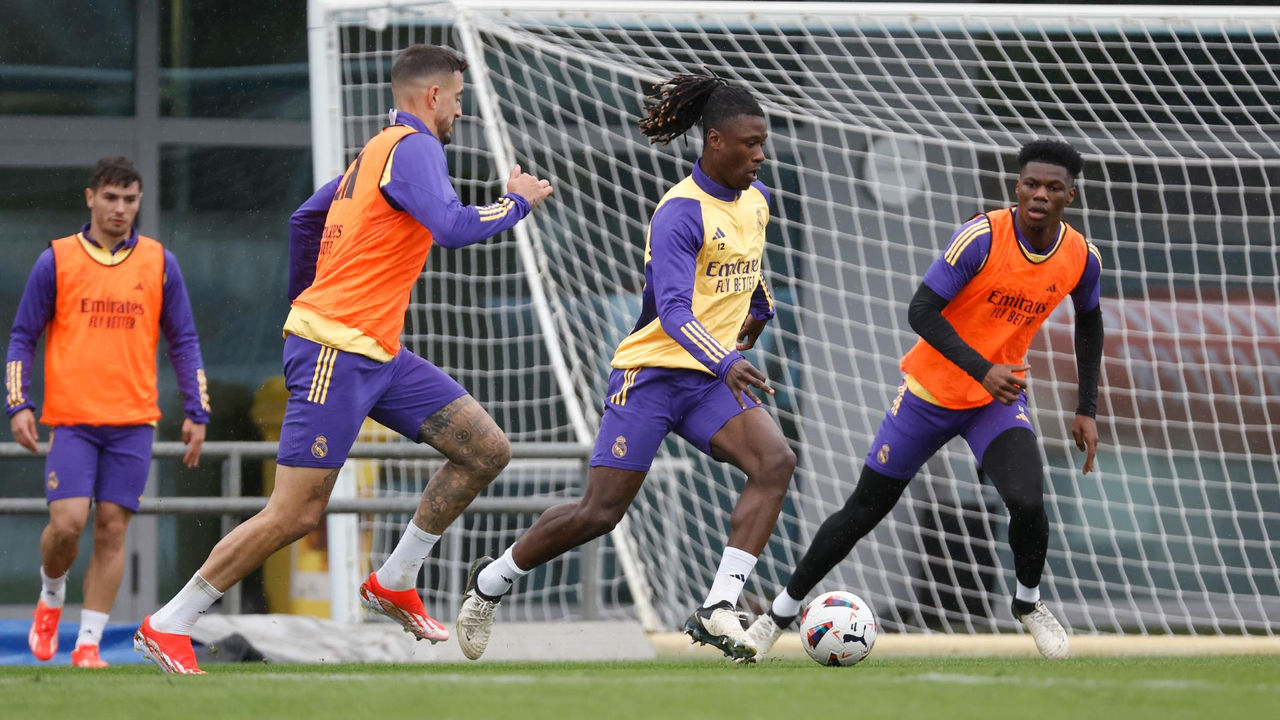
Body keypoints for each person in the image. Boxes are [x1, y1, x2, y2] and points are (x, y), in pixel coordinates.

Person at [132, 44, 553, 674]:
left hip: (373, 348)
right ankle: (169, 622)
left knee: (486, 449)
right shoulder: (413, 148)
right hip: (337, 348)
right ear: (433, 96)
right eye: (458, 99)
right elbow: (453, 227)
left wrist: (310, 300)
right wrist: (516, 199)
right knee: (297, 512)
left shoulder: (374, 152)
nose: (460, 112)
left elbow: (306, 219)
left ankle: (396, 577)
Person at [454, 73, 794, 662]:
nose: (760, 154)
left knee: (775, 462)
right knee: (601, 513)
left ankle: (717, 608)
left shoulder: (756, 202)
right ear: (714, 141)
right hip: (653, 376)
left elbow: (744, 268)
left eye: (764, 142)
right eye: (750, 143)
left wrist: (758, 310)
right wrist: (726, 358)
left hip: (709, 378)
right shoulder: (679, 213)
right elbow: (671, 309)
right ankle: (492, 582)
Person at [743, 139, 1103, 661]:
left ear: (1071, 194)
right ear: (1016, 187)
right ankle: (777, 615)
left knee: (1027, 500)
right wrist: (983, 368)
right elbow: (921, 311)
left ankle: (1028, 604)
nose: (1039, 195)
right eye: (1030, 184)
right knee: (864, 510)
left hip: (994, 404)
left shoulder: (1080, 256)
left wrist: (1086, 408)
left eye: (1052, 187)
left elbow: (1090, 320)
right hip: (929, 395)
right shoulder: (981, 237)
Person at [5, 156, 210, 669]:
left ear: (139, 202)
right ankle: (52, 597)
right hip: (72, 419)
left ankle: (89, 645)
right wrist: (18, 403)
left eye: (130, 199)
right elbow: (22, 335)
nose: (121, 208)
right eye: (112, 198)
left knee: (113, 528)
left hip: (133, 421)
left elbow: (182, 338)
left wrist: (196, 409)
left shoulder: (160, 262)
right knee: (69, 524)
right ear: (91, 197)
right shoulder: (56, 259)